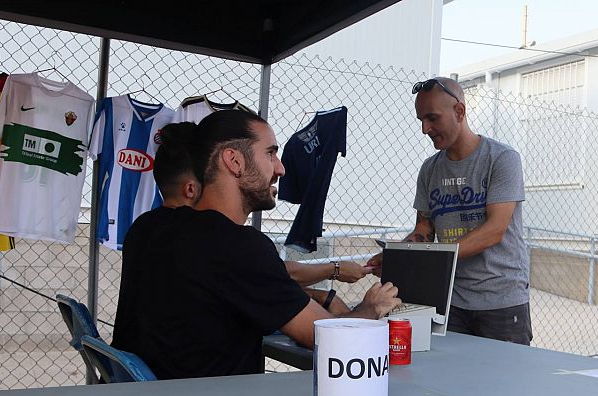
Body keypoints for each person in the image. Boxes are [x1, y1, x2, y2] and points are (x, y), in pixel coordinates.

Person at [112, 110, 400, 379]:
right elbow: (331, 341)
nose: (281, 169)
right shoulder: (236, 245)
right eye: (271, 153)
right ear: (234, 161)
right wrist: (372, 307)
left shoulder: (148, 227)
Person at [368, 77, 532, 346]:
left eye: (432, 118)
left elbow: (494, 231)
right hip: (449, 299)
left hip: (501, 300)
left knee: (504, 384)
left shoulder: (502, 158)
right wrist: (397, 259)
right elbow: (423, 231)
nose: (425, 129)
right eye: (421, 119)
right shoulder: (429, 169)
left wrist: (422, 261)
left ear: (459, 112)